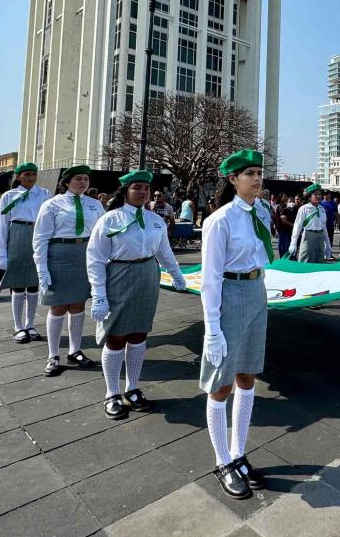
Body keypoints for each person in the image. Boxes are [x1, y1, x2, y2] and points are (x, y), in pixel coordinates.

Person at [198, 150, 273, 500]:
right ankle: (222, 460)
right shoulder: (220, 220)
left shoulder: (259, 212)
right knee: (221, 383)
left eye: (259, 172)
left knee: (247, 375)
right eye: (249, 173)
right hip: (229, 295)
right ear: (232, 179)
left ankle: (239, 452)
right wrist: (212, 328)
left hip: (256, 292)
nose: (257, 178)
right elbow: (210, 279)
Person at [88, 170, 187, 419]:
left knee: (139, 335)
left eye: (146, 188)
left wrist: (177, 275)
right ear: (126, 191)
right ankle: (111, 393)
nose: (142, 192)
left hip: (147, 276)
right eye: (137, 187)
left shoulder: (155, 220)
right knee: (116, 337)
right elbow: (95, 258)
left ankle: (132, 388)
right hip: (119, 276)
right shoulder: (110, 219)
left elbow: (165, 252)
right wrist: (98, 294)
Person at [33, 165, 105, 377]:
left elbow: (103, 234)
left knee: (78, 304)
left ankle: (75, 350)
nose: (83, 182)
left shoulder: (95, 205)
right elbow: (40, 238)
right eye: (78, 179)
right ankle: (53, 355)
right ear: (66, 182)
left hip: (85, 254)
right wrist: (41, 269)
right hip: (60, 254)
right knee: (57, 307)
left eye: (86, 179)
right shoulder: (52, 205)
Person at [0, 162, 51, 344]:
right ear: (18, 176)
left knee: (34, 283)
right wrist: (1, 253)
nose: (31, 178)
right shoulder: (9, 196)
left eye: (33, 174)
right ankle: (18, 326)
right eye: (26, 174)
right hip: (17, 233)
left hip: (39, 233)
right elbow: (2, 224)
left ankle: (30, 324)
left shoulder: (44, 194)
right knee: (18, 283)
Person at [287, 183, 332, 263]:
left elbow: (324, 228)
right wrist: (293, 243)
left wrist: (327, 245)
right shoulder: (304, 209)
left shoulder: (322, 209)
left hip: (320, 238)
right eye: (315, 194)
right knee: (306, 262)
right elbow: (297, 226)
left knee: (319, 264)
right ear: (309, 196)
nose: (318, 196)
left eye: (320, 194)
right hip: (308, 237)